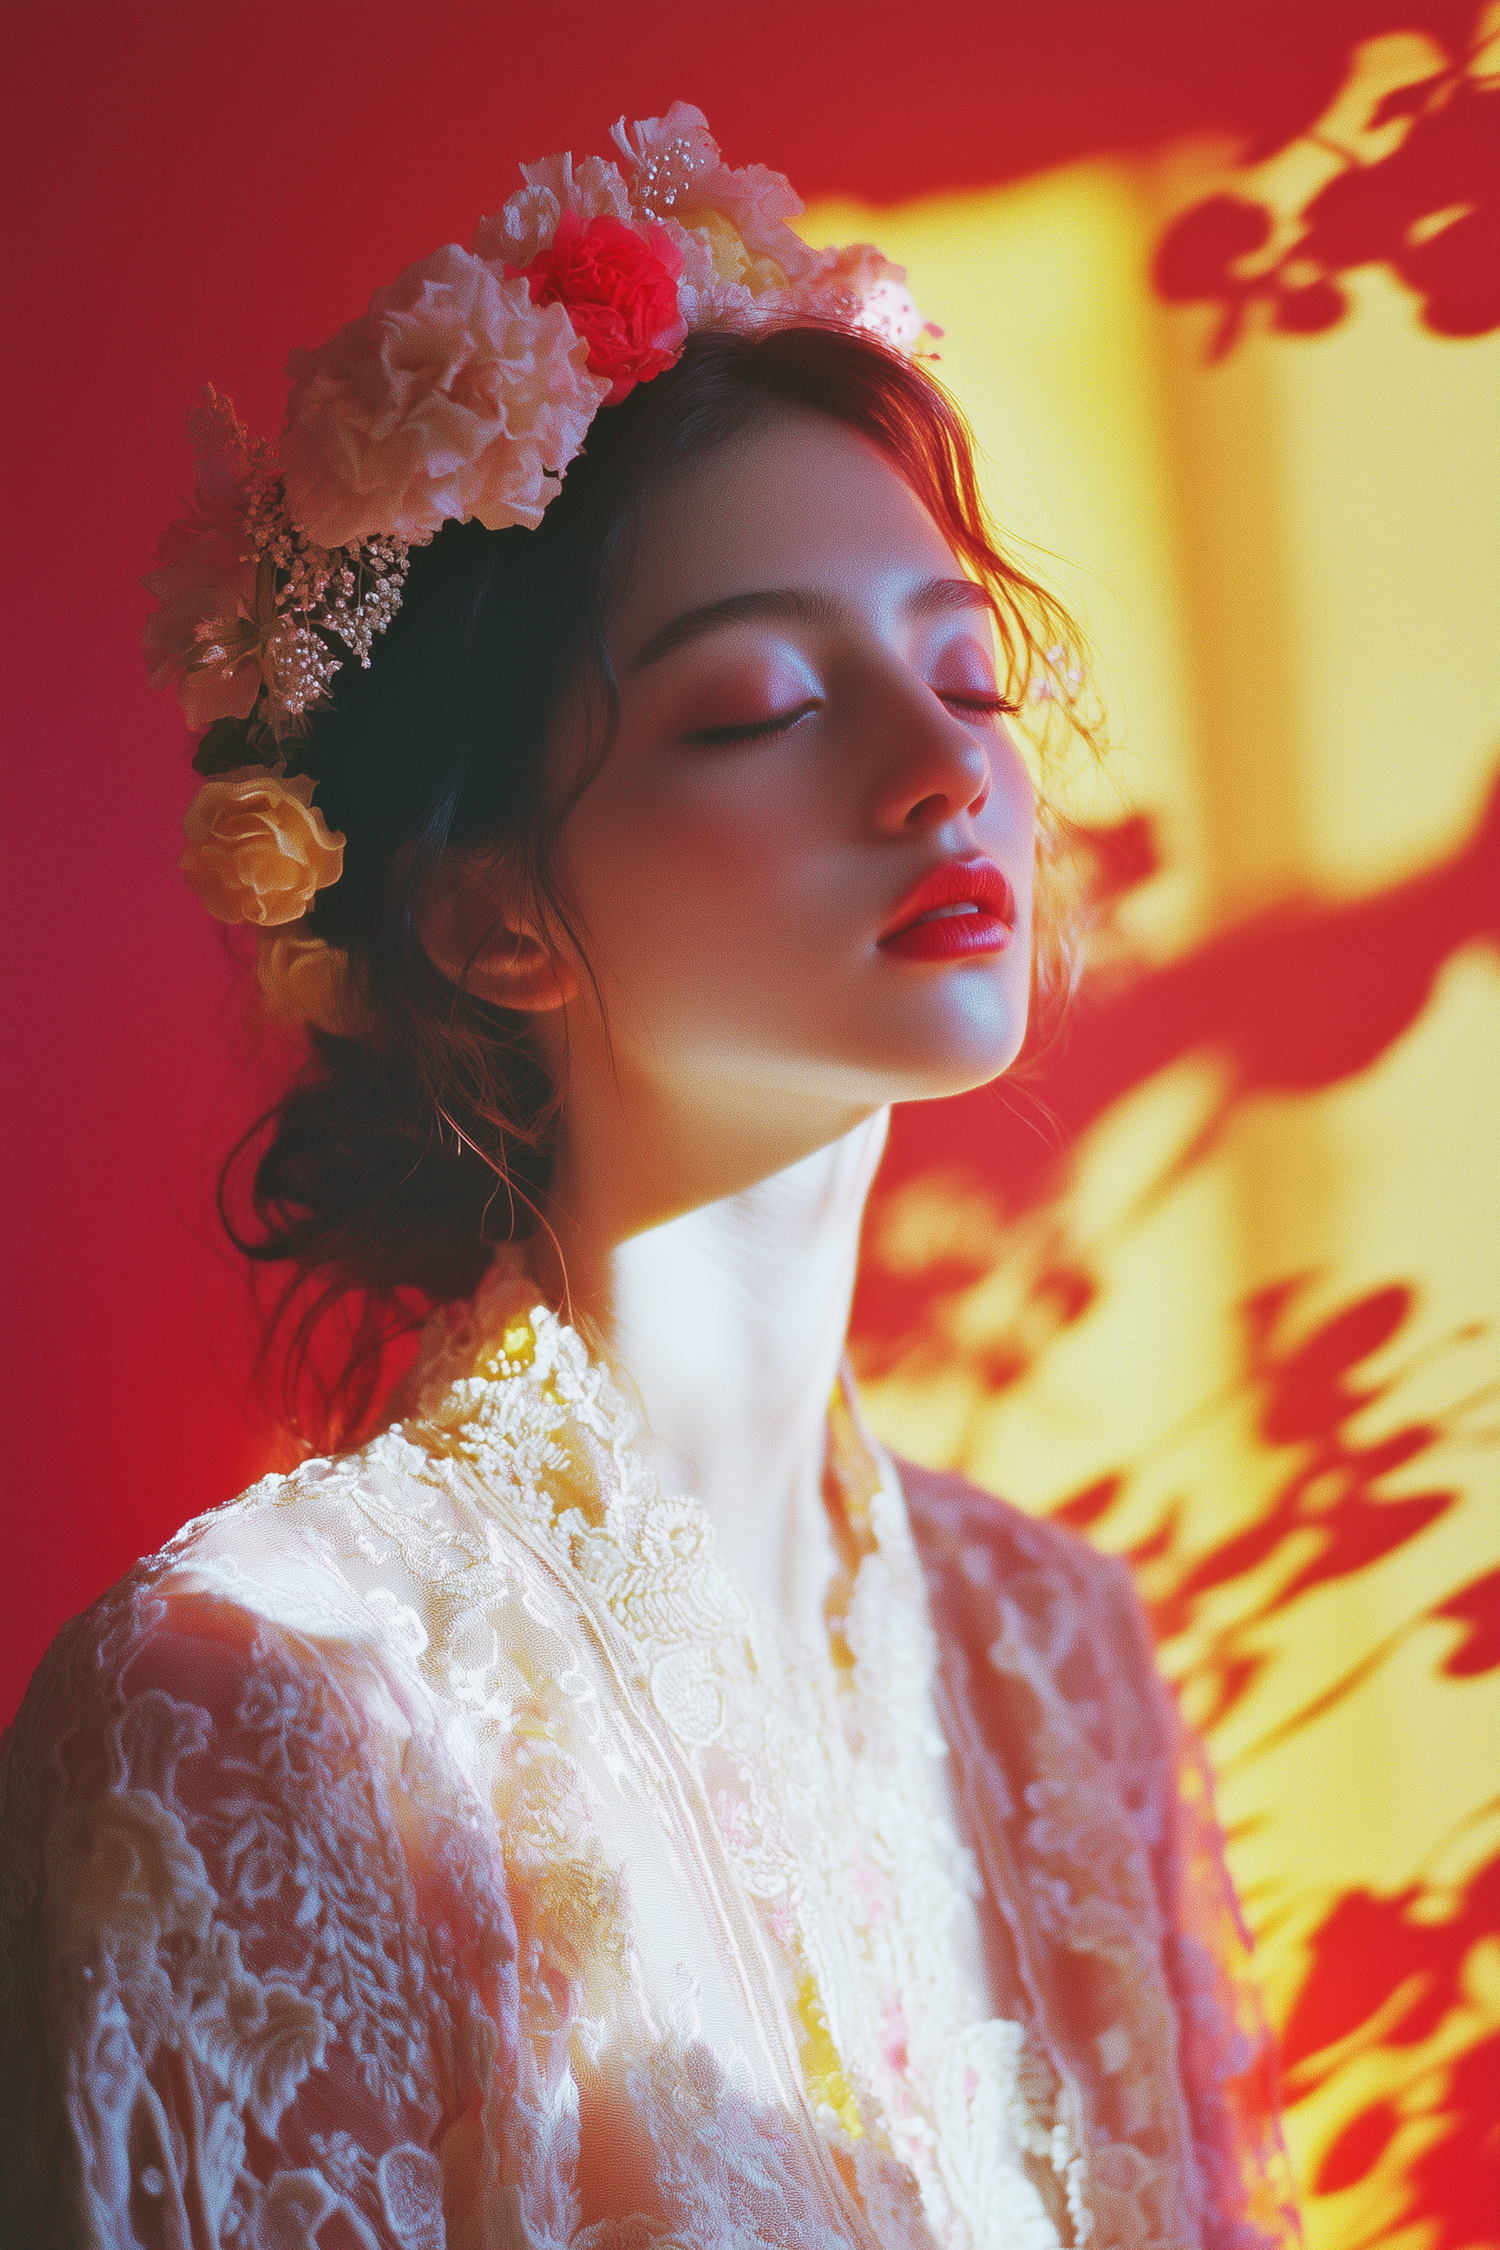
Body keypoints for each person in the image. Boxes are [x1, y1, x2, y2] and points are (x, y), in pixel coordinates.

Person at [0, 104, 1297, 2250]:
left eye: (966, 668)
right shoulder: (260, 1699)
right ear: (489, 913)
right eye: (761, 704)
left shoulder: (1069, 1655)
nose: (938, 763)